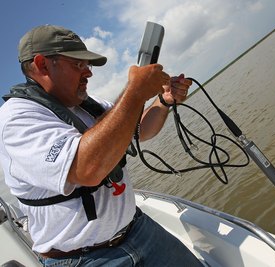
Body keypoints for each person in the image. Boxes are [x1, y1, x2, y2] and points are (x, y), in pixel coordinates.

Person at [0, 25, 204, 267]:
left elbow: (138, 129)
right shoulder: (16, 118)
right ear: (43, 65)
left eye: (88, 65)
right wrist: (135, 92)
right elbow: (86, 169)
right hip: (84, 260)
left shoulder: (85, 104)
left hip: (139, 230)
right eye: (78, 64)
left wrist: (164, 101)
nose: (89, 73)